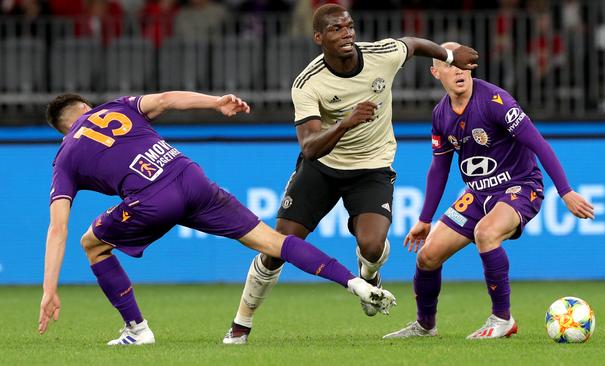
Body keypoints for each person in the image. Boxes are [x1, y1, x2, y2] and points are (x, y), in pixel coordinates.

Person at [37, 91, 397, 346]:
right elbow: (165, 100)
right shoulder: (118, 107)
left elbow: (58, 227)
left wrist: (49, 289)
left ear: (61, 129)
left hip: (151, 200)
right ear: (86, 107)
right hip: (189, 175)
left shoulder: (66, 154)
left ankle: (137, 329)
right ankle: (355, 283)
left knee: (93, 244)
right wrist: (216, 102)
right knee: (273, 242)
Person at [222, 4, 479, 345]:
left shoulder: (382, 55)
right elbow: (310, 147)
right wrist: (345, 122)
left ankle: (369, 275)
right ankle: (241, 324)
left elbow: (414, 44)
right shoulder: (307, 83)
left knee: (372, 244)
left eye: (349, 26)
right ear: (318, 38)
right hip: (322, 169)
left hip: (372, 167)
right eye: (335, 29)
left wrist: (448, 55)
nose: (346, 33)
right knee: (275, 247)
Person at [382, 42, 595, 340]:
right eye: (449, 64)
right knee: (427, 256)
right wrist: (425, 218)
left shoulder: (495, 101)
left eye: (462, 64)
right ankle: (425, 326)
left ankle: (502, 318)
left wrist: (566, 191)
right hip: (478, 193)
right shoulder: (440, 115)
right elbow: (439, 168)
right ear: (436, 72)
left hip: (519, 186)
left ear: (470, 67)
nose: (458, 70)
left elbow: (538, 144)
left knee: (486, 233)